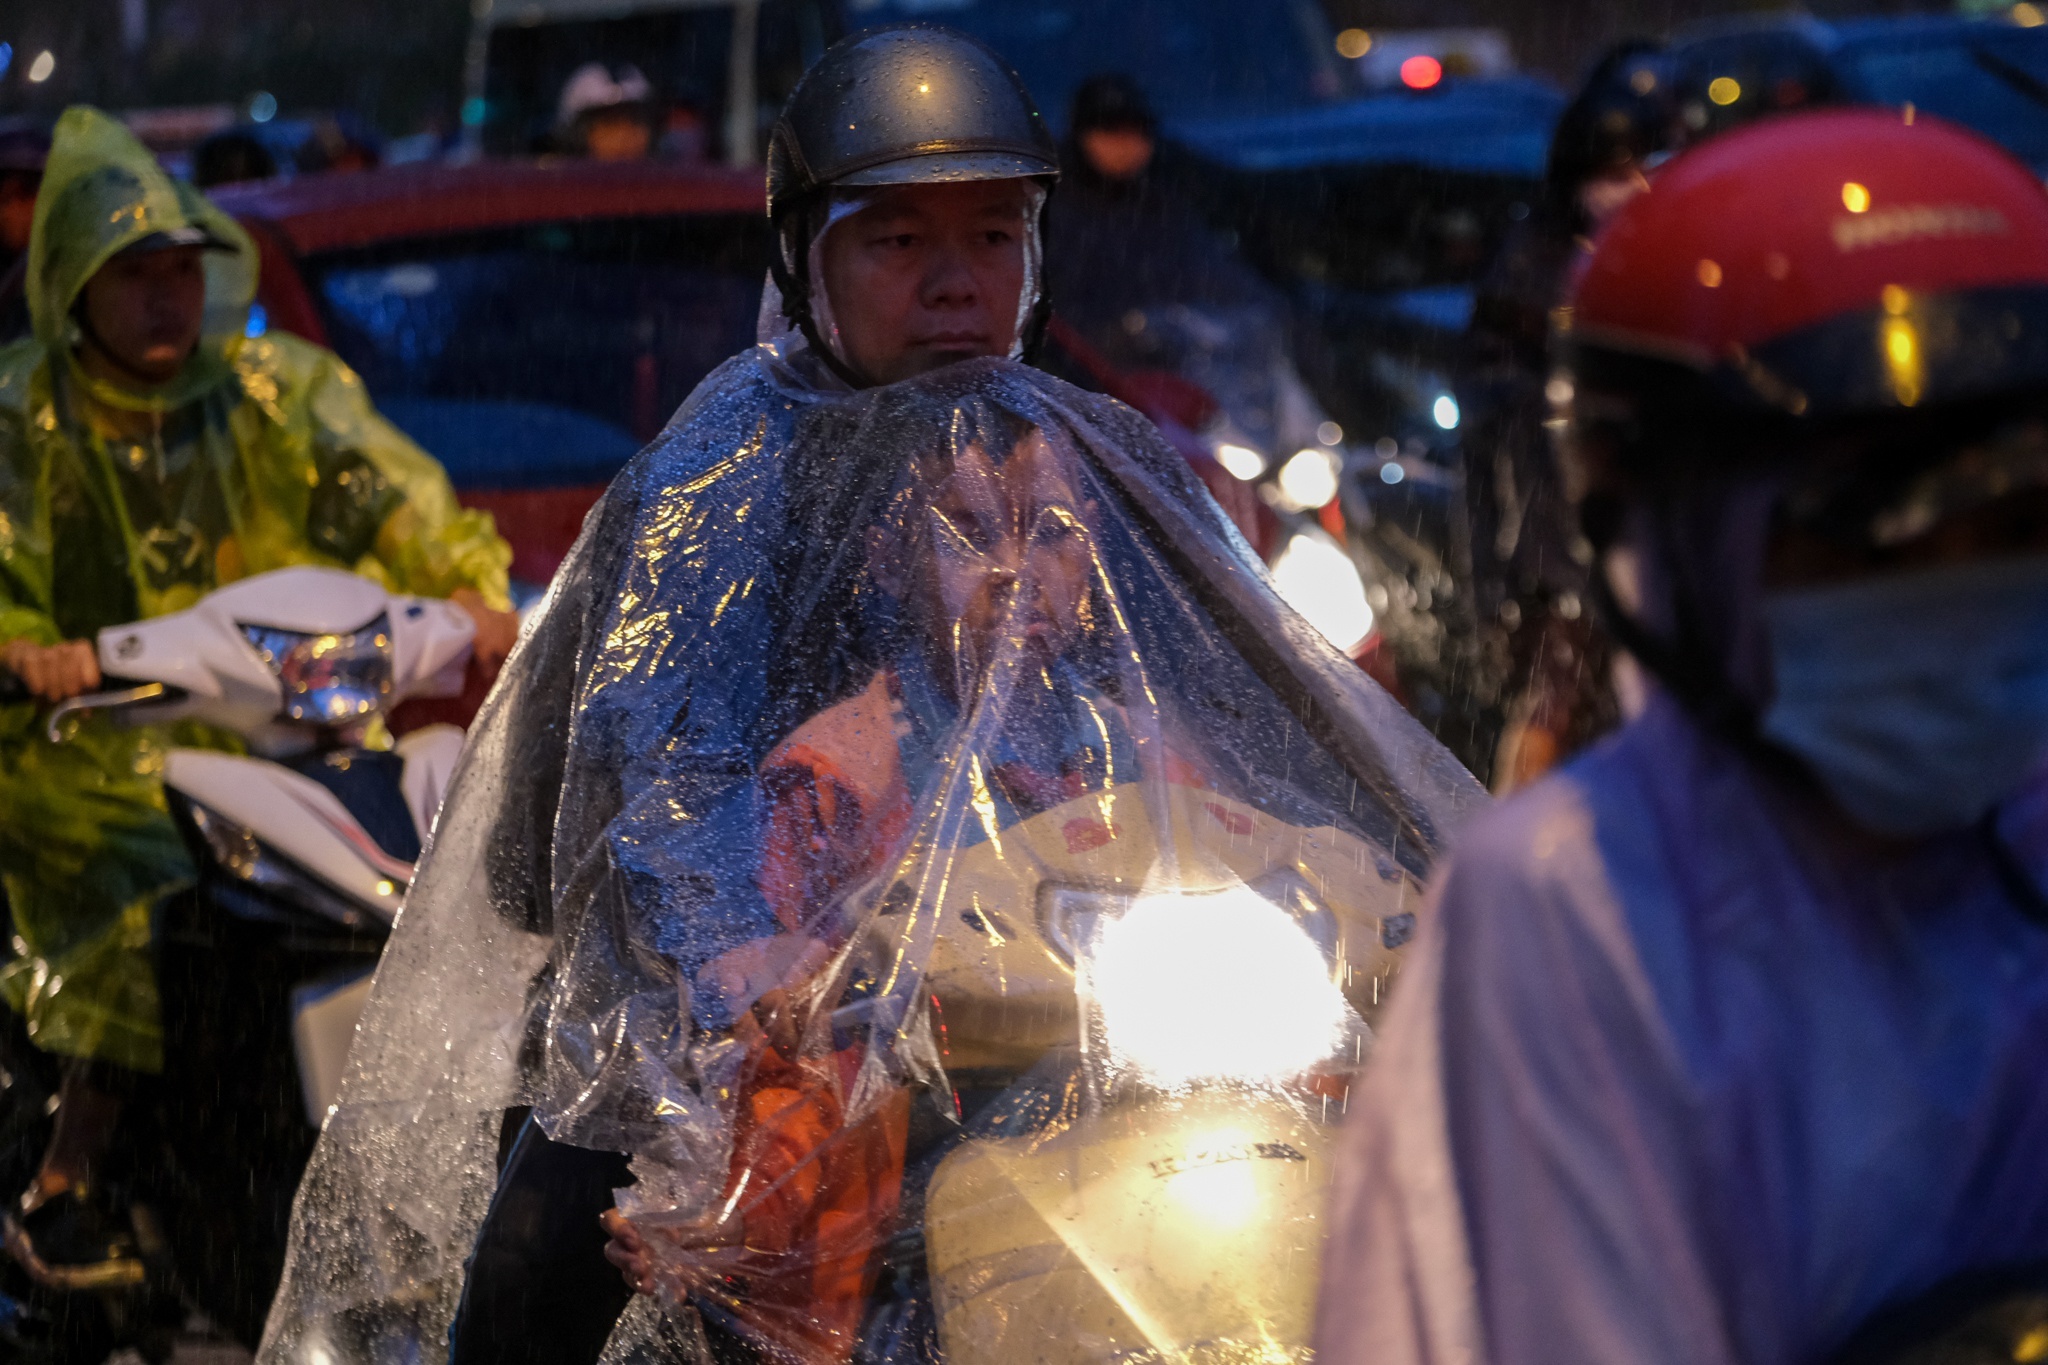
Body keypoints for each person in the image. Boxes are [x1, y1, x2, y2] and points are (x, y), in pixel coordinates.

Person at [255, 25, 1475, 1365]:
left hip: (1063, 1016)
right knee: (558, 1247)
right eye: (901, 242)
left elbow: (1248, 702)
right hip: (740, 1031)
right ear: (807, 255)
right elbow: (647, 764)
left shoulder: (1091, 448)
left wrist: (1387, 865)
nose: (956, 284)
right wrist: (740, 952)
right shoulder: (718, 475)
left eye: (992, 236)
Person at [1316, 109, 2048, 1365]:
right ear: (1662, 551)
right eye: (1864, 542)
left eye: (2013, 528)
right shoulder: (1584, 909)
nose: (1955, 590)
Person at [0, 107, 516, 1270]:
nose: (165, 299)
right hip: (79, 745)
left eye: (181, 270)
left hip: (282, 731)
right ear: (74, 283)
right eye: (133, 275)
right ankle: (66, 1176)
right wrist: (37, 654)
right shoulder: (20, 414)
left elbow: (395, 500)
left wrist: (475, 597)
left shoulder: (274, 387)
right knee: (149, 900)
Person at [1455, 41, 1669, 792]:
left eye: (1643, 170)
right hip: (1561, 527)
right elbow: (1498, 393)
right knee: (1556, 692)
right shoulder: (1539, 262)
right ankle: (1510, 831)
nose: (1632, 189)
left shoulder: (1652, 253)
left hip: (1640, 521)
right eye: (1615, 175)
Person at [556, 62, 657, 162]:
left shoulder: (665, 175)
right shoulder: (550, 174)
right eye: (610, 123)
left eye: (636, 120)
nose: (625, 135)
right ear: (578, 136)